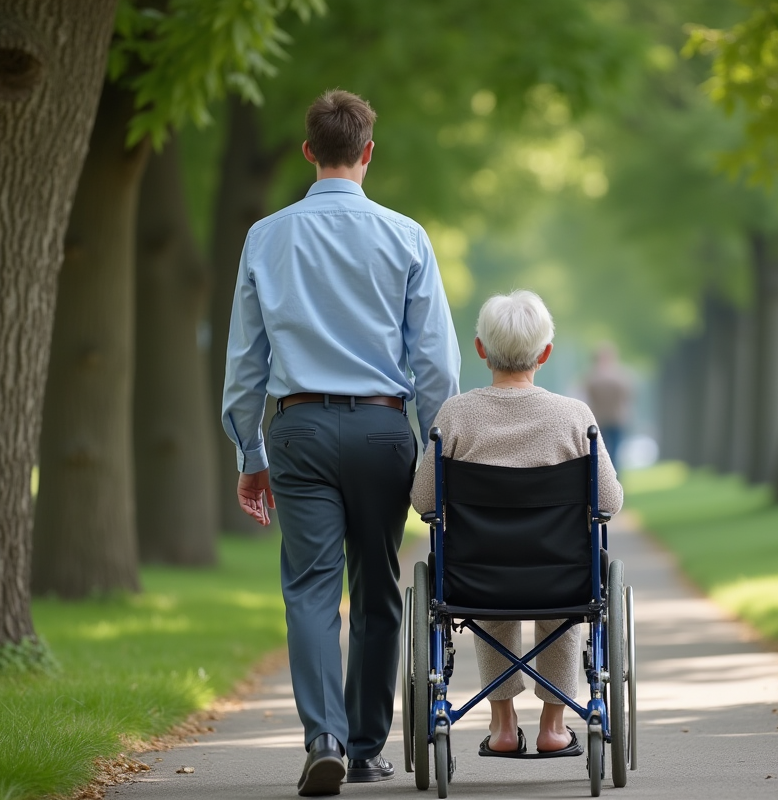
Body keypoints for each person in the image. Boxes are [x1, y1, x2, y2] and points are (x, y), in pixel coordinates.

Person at [222, 89, 461, 797]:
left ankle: (321, 737)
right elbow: (437, 364)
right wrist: (437, 453)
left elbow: (244, 364)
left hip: (296, 429)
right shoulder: (406, 236)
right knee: (378, 584)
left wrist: (250, 455)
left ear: (307, 152)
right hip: (383, 430)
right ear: (368, 152)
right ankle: (363, 748)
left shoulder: (266, 237)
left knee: (310, 589)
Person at [410, 290, 623, 757]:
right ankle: (553, 726)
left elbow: (423, 500)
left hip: (477, 577)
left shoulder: (455, 415)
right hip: (561, 576)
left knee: (491, 586)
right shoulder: (575, 417)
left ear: (480, 349)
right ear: (545, 354)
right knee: (565, 601)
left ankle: (503, 726)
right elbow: (609, 501)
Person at [583, 342, 633, 467]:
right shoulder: (620, 376)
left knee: (605, 450)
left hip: (605, 419)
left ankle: (606, 473)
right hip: (611, 419)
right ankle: (612, 474)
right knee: (612, 450)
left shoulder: (592, 377)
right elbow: (627, 394)